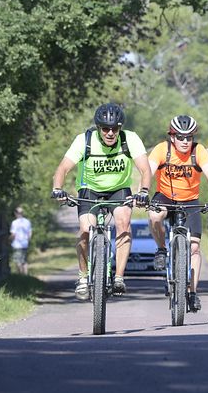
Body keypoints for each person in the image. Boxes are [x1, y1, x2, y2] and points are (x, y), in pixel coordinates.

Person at [51, 103, 152, 300]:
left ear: (120, 128)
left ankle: (119, 277)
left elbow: (145, 169)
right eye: (105, 128)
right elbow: (63, 168)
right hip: (89, 190)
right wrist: (57, 189)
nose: (110, 133)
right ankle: (82, 276)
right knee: (84, 231)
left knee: (123, 223)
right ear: (98, 128)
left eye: (115, 128)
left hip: (119, 189)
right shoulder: (84, 140)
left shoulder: (130, 139)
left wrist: (144, 191)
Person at [147, 115, 208, 312]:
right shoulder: (161, 149)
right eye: (180, 137)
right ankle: (162, 249)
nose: (184, 141)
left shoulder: (199, 151)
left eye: (188, 137)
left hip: (190, 201)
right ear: (172, 136)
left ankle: (192, 293)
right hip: (165, 196)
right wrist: (142, 192)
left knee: (195, 248)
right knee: (155, 216)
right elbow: (147, 171)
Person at [9, 206, 32, 275]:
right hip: (25, 243)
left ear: (15, 213)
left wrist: (8, 240)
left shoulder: (14, 223)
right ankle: (25, 275)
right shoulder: (27, 222)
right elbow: (30, 233)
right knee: (24, 261)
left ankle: (20, 274)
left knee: (18, 261)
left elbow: (13, 234)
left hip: (17, 244)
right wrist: (28, 240)